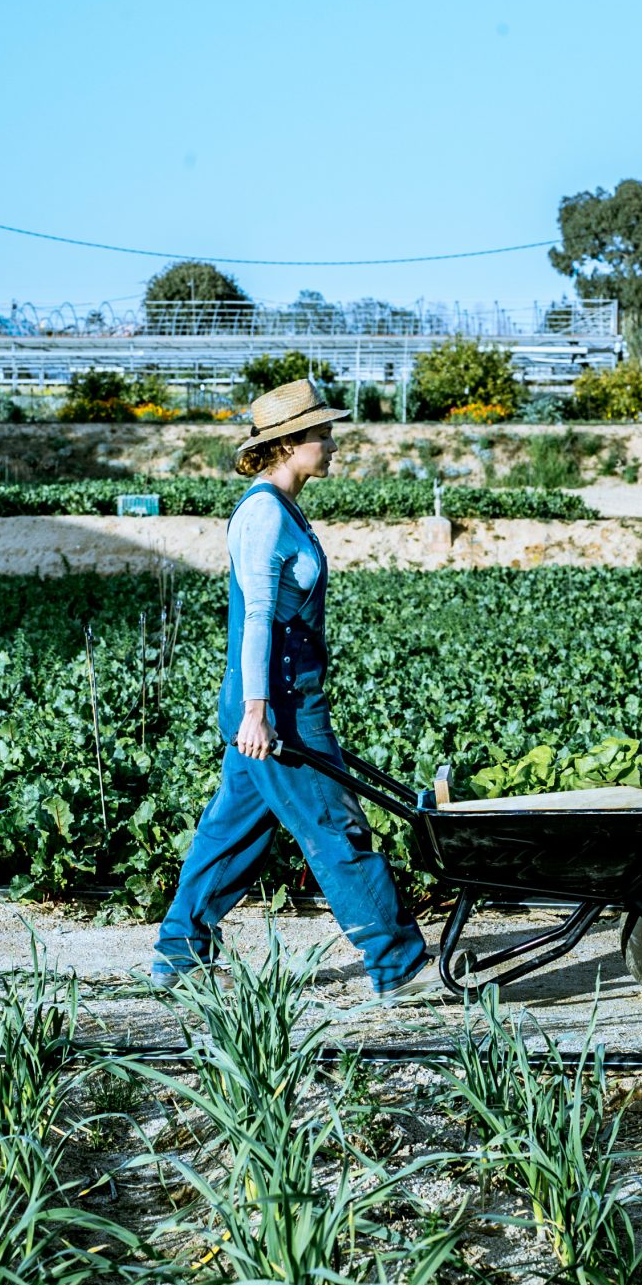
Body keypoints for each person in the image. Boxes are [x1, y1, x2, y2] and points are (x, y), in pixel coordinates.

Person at [150, 376, 434, 997]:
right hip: (277, 704)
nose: (332, 444)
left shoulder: (285, 507)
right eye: (322, 434)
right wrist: (257, 712)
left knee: (233, 832)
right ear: (287, 444)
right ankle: (398, 963)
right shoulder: (261, 515)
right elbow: (255, 618)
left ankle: (178, 954)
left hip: (284, 697)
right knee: (335, 827)